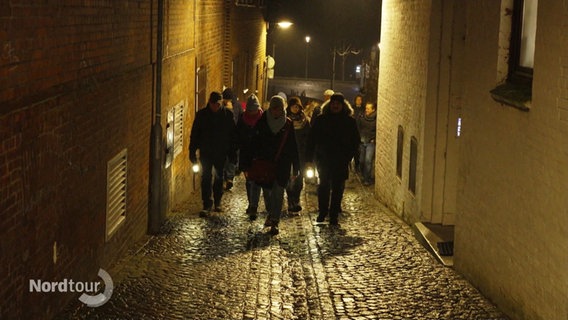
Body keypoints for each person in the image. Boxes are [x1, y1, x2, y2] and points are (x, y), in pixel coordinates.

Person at [306, 92, 360, 226]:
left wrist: (349, 156)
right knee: (323, 186)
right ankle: (323, 212)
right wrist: (309, 158)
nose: (335, 106)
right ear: (330, 104)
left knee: (338, 188)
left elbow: (355, 141)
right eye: (333, 103)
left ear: (343, 105)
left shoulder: (349, 121)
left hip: (341, 160)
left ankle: (334, 215)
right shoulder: (321, 120)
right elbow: (312, 139)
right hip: (324, 159)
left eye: (338, 103)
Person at [248, 95, 300, 235]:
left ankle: (275, 220)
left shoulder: (288, 124)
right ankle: (271, 213)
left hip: (282, 165)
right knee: (268, 193)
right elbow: (254, 142)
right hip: (265, 164)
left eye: (278, 109)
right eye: (274, 109)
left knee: (278, 192)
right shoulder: (262, 122)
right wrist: (249, 162)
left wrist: (296, 166)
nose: (276, 112)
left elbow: (293, 146)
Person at [189, 91, 236, 216]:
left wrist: (232, 154)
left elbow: (232, 136)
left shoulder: (227, 115)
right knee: (206, 177)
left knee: (219, 176)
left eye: (218, 104)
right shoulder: (202, 115)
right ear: (210, 103)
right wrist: (192, 151)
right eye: (214, 104)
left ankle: (218, 201)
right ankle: (207, 203)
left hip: (221, 152)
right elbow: (195, 134)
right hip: (206, 152)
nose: (216, 106)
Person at [236, 94, 264, 220]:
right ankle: (251, 202)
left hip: (258, 155)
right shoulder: (242, 118)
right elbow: (237, 135)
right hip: (246, 155)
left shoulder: (263, 119)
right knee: (249, 181)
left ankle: (254, 206)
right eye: (250, 110)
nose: (252, 113)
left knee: (256, 181)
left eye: (254, 110)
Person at [285, 96, 311, 213]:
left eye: (297, 106)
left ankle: (296, 199)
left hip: (301, 154)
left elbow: (309, 137)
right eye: (293, 106)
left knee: (300, 178)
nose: (295, 108)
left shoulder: (305, 121)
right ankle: (290, 201)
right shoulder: (285, 120)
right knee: (290, 178)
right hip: (288, 154)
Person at [222, 88, 241, 190]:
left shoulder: (235, 106)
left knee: (230, 158)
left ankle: (228, 178)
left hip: (232, 137)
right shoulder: (235, 105)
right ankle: (227, 178)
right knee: (229, 159)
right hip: (229, 138)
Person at [357, 102, 377, 185]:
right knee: (361, 161)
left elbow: (378, 130)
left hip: (370, 143)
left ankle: (367, 179)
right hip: (362, 142)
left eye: (368, 108)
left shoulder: (376, 119)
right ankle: (363, 174)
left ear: (373, 110)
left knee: (368, 161)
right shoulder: (362, 117)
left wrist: (374, 138)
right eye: (366, 108)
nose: (366, 110)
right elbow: (358, 128)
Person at [352, 94, 365, 171]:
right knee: (354, 149)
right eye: (358, 100)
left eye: (360, 100)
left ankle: (358, 165)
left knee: (359, 150)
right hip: (353, 130)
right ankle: (354, 164)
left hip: (360, 131)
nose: (359, 101)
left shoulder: (363, 109)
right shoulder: (352, 108)